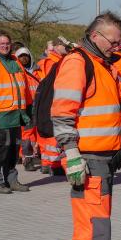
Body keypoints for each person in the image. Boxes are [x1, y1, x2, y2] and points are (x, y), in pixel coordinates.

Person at [51, 12, 121, 240]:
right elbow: (63, 113)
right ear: (95, 36)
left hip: (100, 159)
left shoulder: (102, 64)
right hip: (89, 161)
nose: (118, 46)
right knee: (97, 233)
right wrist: (71, 155)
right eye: (113, 41)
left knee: (88, 232)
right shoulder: (78, 63)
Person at [0, 31, 32, 194]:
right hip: (1, 116)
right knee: (0, 149)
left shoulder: (16, 62)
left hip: (16, 115)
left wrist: (28, 109)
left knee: (13, 150)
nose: (5, 46)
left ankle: (12, 180)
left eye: (7, 43)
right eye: (1, 44)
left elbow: (25, 88)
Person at [37, 38, 69, 175]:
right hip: (51, 100)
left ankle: (47, 163)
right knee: (51, 134)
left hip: (46, 99)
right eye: (63, 45)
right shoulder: (52, 62)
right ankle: (54, 164)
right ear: (56, 47)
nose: (65, 48)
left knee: (46, 135)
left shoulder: (53, 61)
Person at [15, 47, 41, 171]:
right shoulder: (16, 72)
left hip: (38, 106)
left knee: (36, 133)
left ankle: (34, 155)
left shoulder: (38, 71)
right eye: (21, 56)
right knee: (26, 134)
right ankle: (27, 158)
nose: (24, 58)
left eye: (26, 55)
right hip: (25, 107)